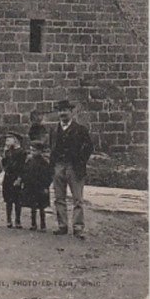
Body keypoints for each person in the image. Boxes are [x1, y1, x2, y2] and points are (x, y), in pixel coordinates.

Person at [49, 100, 94, 239]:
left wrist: (80, 161)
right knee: (59, 198)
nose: (63, 113)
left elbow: (88, 148)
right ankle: (62, 226)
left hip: (75, 167)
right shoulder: (54, 130)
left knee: (77, 199)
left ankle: (78, 227)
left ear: (71, 112)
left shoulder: (80, 130)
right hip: (58, 166)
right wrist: (54, 165)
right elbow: (52, 148)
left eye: (65, 110)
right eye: (60, 111)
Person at [20, 141, 52, 231]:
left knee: (42, 207)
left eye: (34, 150)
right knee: (33, 207)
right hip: (31, 187)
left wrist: (46, 186)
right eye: (31, 150)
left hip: (41, 187)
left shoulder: (44, 163)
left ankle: (43, 225)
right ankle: (33, 224)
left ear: (40, 151)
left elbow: (48, 175)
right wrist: (24, 182)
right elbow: (25, 172)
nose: (32, 153)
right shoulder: (29, 161)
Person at [2, 132, 27, 228]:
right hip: (8, 177)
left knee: (17, 200)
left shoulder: (21, 152)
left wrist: (20, 178)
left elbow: (22, 167)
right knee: (8, 199)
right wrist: (4, 155)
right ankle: (8, 219)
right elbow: (4, 165)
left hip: (16, 177)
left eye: (9, 139)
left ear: (15, 140)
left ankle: (17, 220)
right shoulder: (7, 151)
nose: (6, 141)